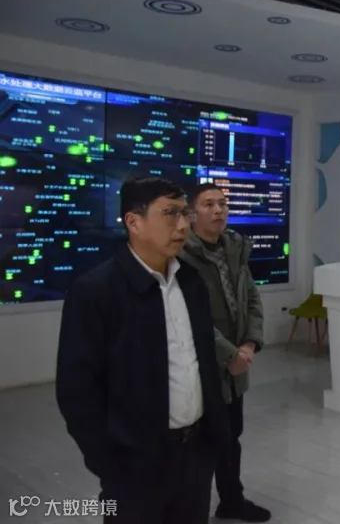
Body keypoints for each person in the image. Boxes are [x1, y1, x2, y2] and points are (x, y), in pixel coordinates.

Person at [56, 176, 229, 524]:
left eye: (184, 213)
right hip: (134, 467)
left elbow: (205, 364)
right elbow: (77, 391)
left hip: (195, 455)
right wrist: (109, 463)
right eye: (169, 213)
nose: (183, 225)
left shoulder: (191, 281)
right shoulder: (96, 292)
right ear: (134, 222)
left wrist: (214, 436)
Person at [179, 182, 271, 523]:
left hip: (237, 367)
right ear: (191, 214)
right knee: (204, 444)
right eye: (208, 204)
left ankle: (231, 500)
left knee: (231, 438)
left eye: (222, 203)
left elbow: (252, 299)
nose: (218, 210)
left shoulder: (234, 249)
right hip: (204, 367)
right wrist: (229, 354)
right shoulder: (182, 256)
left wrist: (249, 344)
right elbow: (192, 317)